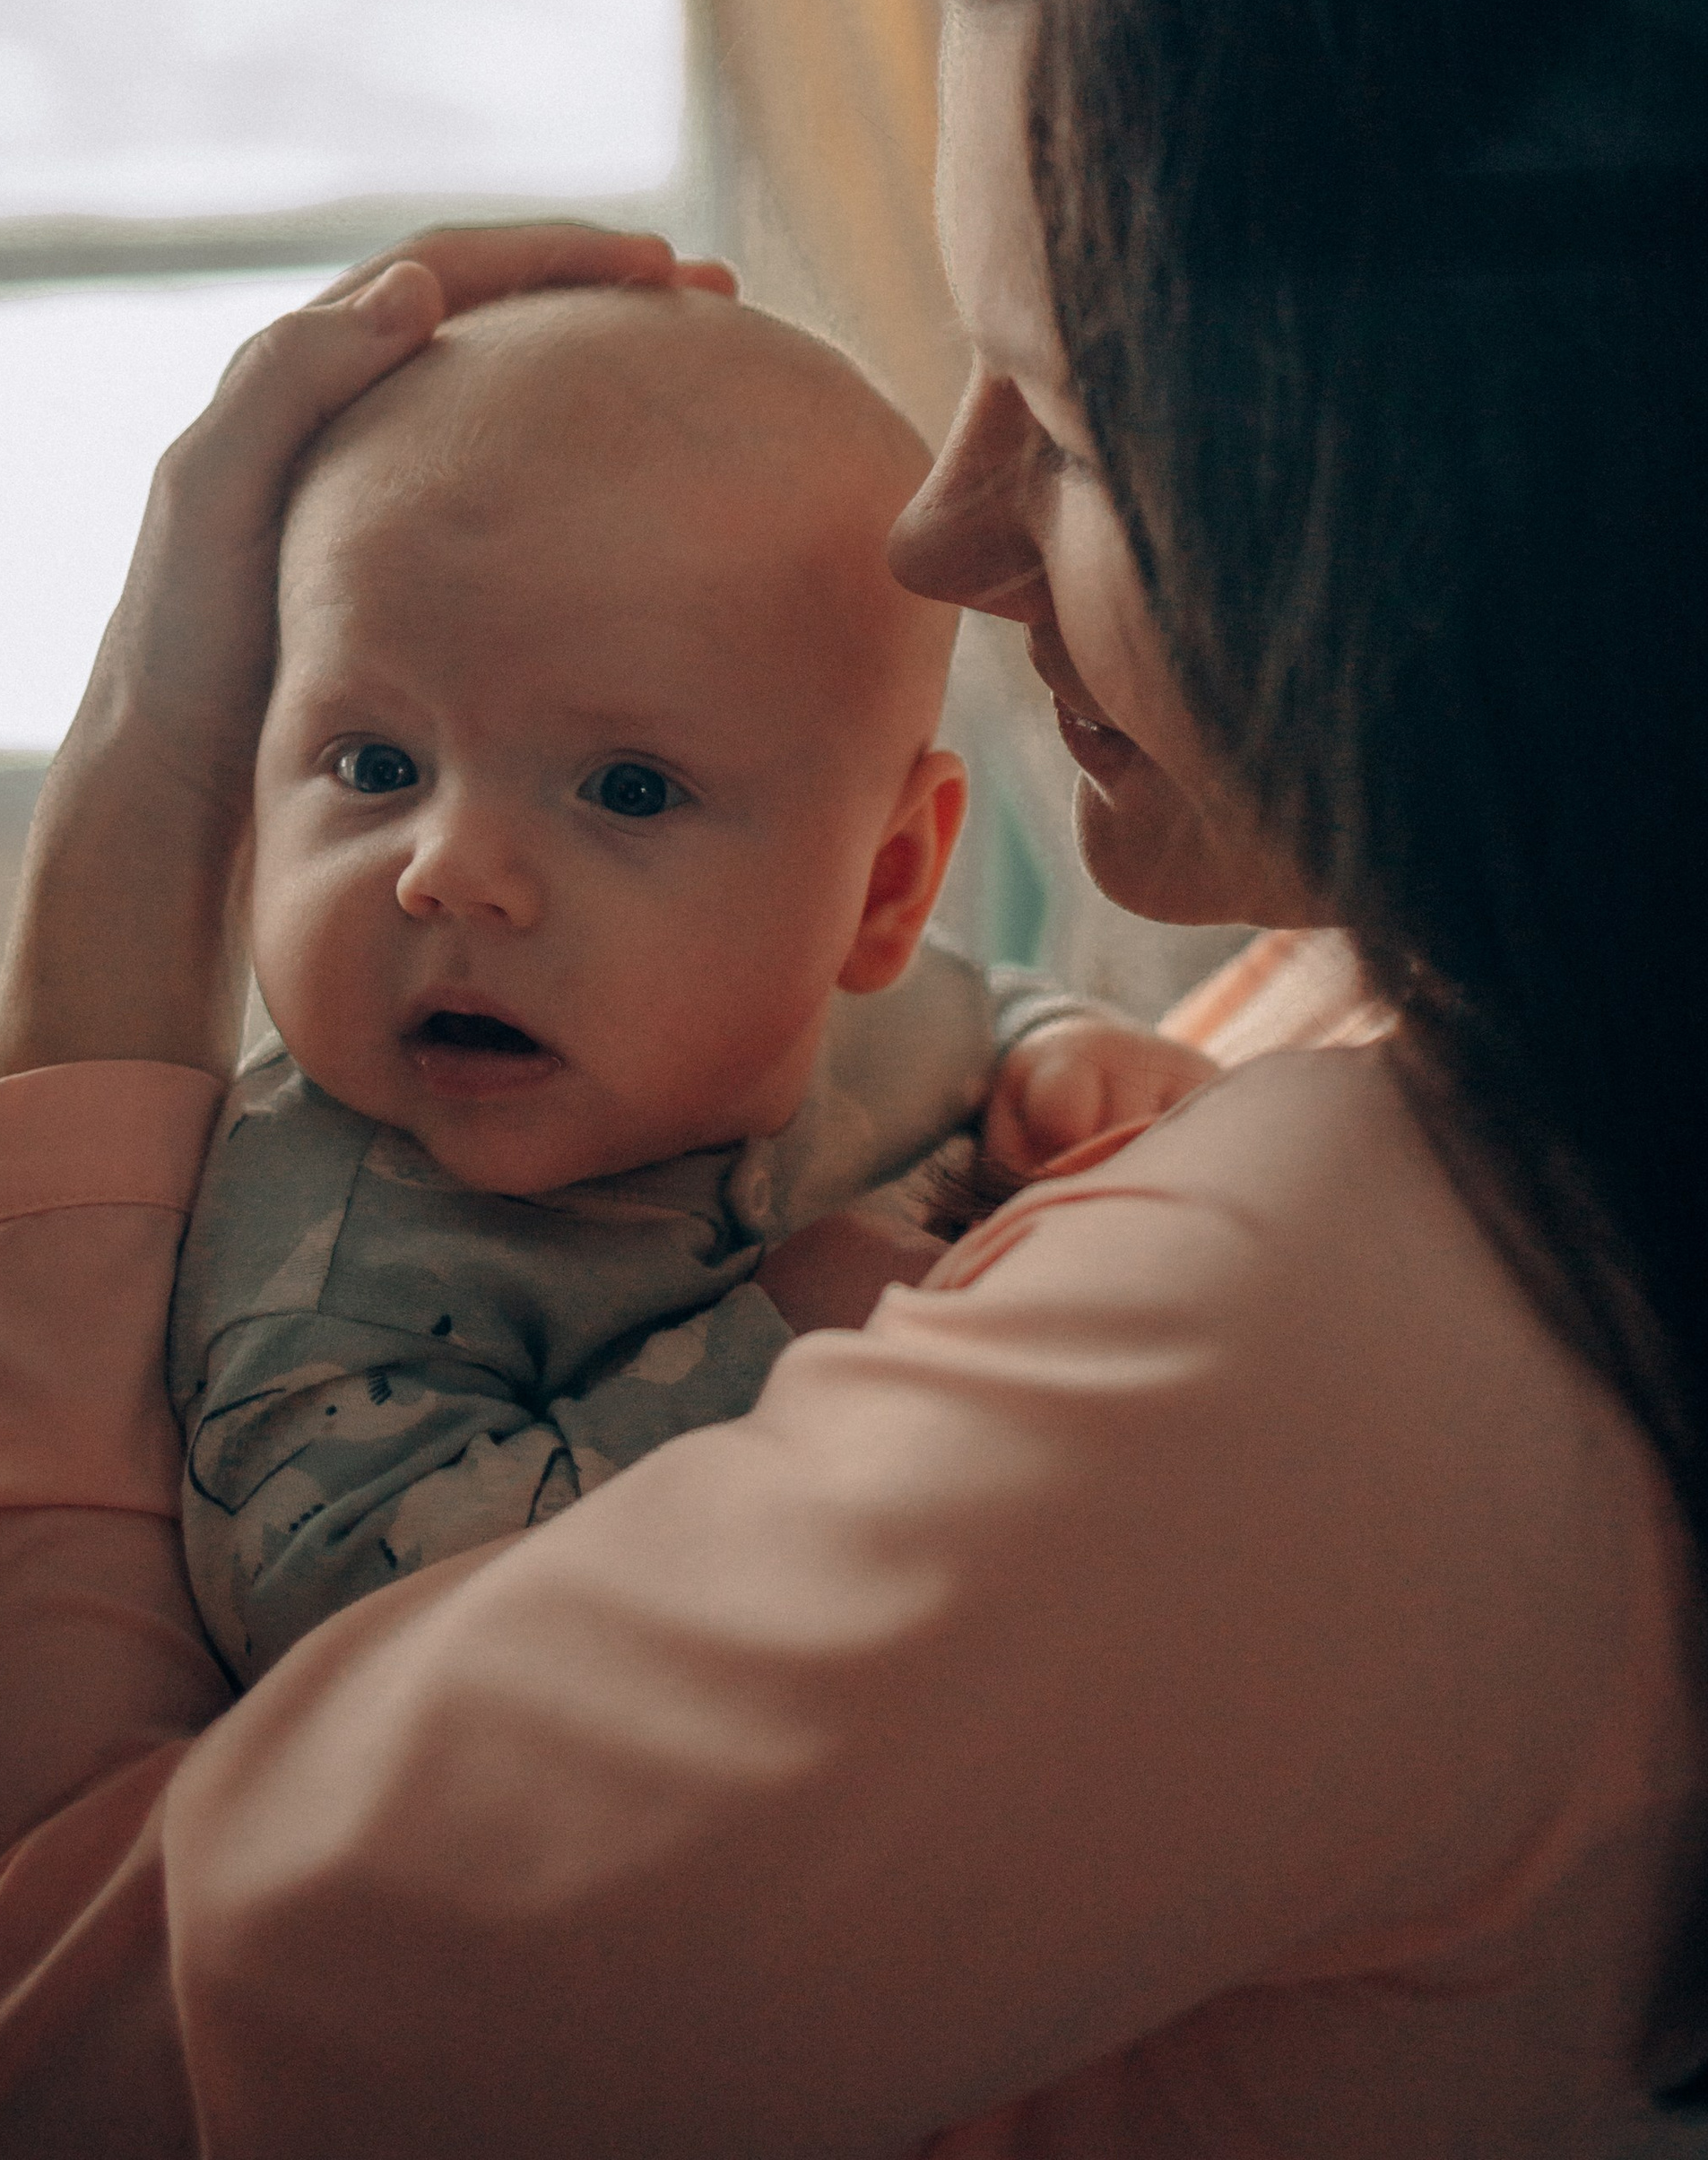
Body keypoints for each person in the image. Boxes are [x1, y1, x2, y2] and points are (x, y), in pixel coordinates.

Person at [0, 0, 1708, 2156]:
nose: (940, 542)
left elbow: (8, 2069)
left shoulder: (1329, 1320)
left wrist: (167, 744)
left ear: (1462, 493)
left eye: (1064, 422)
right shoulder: (1529, 1053)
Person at [171, 282, 1197, 1676]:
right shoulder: (331, 1244)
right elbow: (344, 1621)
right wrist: (778, 1347)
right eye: (374, 768)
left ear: (883, 889)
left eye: (628, 788)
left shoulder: (873, 1033)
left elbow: (971, 1012)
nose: (452, 869)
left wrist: (1057, 1046)